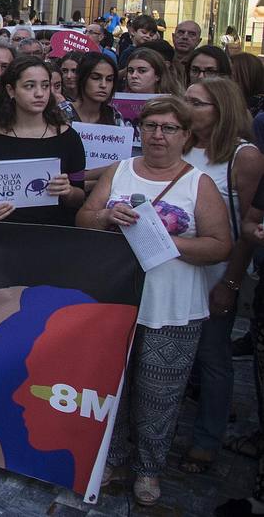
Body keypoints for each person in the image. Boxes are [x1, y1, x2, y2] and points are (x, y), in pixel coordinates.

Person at [78, 97, 230, 506]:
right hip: (117, 303)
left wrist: (167, 241)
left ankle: (148, 470)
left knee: (158, 396)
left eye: (168, 128)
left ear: (185, 135)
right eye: (150, 126)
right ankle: (113, 457)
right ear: (139, 130)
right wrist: (107, 218)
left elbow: (220, 246)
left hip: (172, 308)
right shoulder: (121, 169)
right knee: (114, 388)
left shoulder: (198, 183)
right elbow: (85, 218)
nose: (158, 135)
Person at [179, 78, 263, 475]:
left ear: (221, 110)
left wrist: (230, 283)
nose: (187, 107)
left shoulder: (243, 157)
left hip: (217, 272)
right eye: (186, 100)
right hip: (173, 267)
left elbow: (249, 226)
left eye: (196, 103)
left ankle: (207, 439)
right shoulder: (178, 142)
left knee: (213, 356)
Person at [0, 56, 87, 226]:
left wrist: (68, 191)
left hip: (54, 235)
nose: (39, 93)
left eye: (45, 86)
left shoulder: (68, 138)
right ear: (11, 90)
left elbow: (79, 195)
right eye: (30, 86)